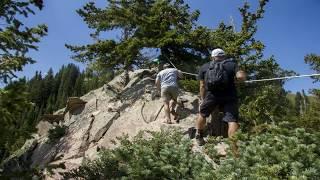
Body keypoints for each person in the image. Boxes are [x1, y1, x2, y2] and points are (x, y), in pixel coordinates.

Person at [196, 48, 246, 145]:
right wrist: (239, 79)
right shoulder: (232, 64)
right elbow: (240, 77)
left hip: (211, 95)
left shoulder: (205, 66)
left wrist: (203, 98)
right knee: (232, 120)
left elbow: (202, 85)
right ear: (224, 56)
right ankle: (233, 146)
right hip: (229, 95)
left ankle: (199, 136)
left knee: (202, 114)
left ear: (212, 57)